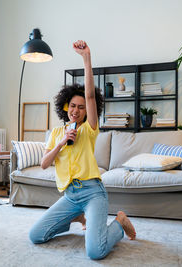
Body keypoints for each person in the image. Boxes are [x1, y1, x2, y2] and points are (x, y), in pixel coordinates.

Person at [29, 40, 136, 260]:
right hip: (70, 196)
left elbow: (89, 95)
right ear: (65, 107)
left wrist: (86, 58)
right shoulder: (57, 133)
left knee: (96, 251)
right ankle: (77, 216)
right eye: (72, 106)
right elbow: (44, 164)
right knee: (36, 235)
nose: (76, 110)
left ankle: (119, 222)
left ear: (86, 111)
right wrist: (60, 143)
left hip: (92, 193)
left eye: (81, 107)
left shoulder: (89, 130)